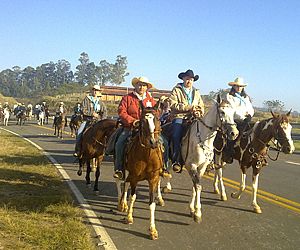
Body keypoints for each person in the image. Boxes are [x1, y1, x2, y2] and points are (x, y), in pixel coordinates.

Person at [113, 76, 171, 180]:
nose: (141, 87)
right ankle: (119, 169)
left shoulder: (150, 99)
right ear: (135, 86)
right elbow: (121, 112)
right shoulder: (127, 98)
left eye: (144, 85)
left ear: (147, 87)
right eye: (139, 85)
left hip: (148, 129)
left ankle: (164, 168)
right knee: (119, 143)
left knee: (164, 143)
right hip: (131, 127)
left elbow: (156, 113)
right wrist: (133, 121)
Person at [169, 69, 205, 173]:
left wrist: (199, 112)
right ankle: (176, 160)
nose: (189, 81)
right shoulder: (177, 90)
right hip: (179, 116)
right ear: (183, 79)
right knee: (176, 135)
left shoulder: (196, 92)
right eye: (187, 79)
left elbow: (201, 105)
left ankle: (207, 160)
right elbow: (173, 104)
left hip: (193, 117)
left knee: (205, 133)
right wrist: (189, 107)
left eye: (191, 79)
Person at [223, 77, 254, 163]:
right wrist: (243, 116)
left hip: (246, 120)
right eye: (237, 86)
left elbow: (250, 108)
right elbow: (233, 109)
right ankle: (229, 151)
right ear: (233, 86)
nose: (239, 88)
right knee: (233, 134)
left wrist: (250, 115)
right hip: (234, 120)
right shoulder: (229, 97)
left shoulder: (246, 98)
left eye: (240, 86)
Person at [73, 84, 107, 158]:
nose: (95, 91)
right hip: (88, 121)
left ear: (99, 92)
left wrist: (102, 119)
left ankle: (105, 150)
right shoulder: (87, 99)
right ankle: (78, 150)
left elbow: (104, 111)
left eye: (97, 90)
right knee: (79, 133)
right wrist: (92, 114)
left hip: (98, 122)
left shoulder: (100, 102)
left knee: (106, 134)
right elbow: (83, 109)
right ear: (92, 91)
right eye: (94, 90)